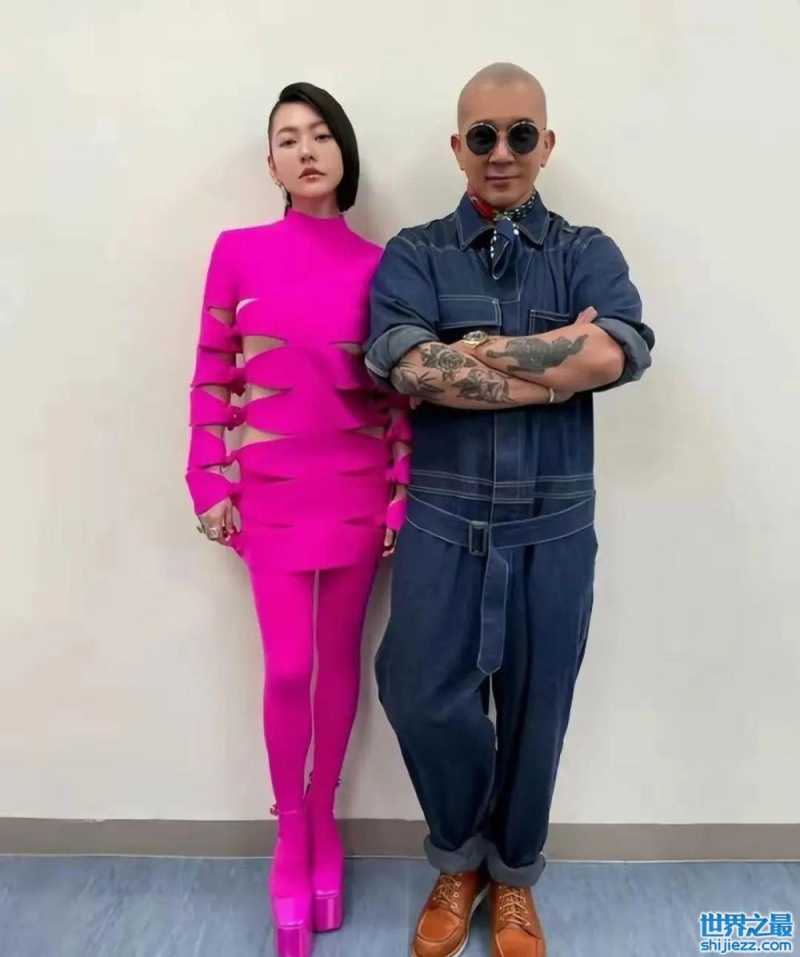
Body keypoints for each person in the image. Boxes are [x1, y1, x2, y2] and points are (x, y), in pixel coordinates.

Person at [365, 63, 654, 957]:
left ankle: (514, 871)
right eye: (483, 136)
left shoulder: (587, 250)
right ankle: (460, 855)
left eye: (520, 134)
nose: (501, 152)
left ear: (546, 144)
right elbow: (410, 367)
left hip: (553, 528)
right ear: (457, 146)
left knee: (539, 709)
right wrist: (554, 364)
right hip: (442, 525)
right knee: (418, 691)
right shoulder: (416, 253)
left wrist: (475, 355)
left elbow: (615, 354)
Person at [185, 82, 411, 957]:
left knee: (337, 664)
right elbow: (214, 368)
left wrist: (399, 490)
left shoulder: (385, 265)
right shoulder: (237, 251)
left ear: (344, 152)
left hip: (356, 491)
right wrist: (207, 476)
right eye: (288, 138)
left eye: (321, 134)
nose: (307, 149)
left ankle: (324, 819)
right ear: (271, 162)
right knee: (289, 666)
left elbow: (398, 395)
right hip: (271, 491)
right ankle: (290, 833)